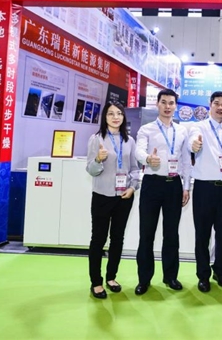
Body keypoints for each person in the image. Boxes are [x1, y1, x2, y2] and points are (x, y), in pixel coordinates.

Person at [134, 89, 190, 295]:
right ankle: (144, 279)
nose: (167, 106)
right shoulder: (146, 129)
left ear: (175, 106)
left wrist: (186, 186)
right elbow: (138, 150)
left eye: (171, 103)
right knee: (146, 234)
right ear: (157, 104)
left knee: (171, 234)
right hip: (152, 184)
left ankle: (170, 276)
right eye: (164, 102)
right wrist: (148, 158)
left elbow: (186, 161)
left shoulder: (182, 131)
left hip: (174, 185)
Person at [85, 101, 140, 299]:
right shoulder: (96, 139)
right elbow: (90, 169)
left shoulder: (129, 140)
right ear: (105, 117)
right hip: (102, 196)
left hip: (124, 197)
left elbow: (135, 168)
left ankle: (111, 277)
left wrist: (132, 187)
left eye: (119, 113)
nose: (115, 117)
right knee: (98, 239)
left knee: (117, 238)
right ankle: (96, 282)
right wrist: (98, 159)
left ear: (123, 117)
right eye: (111, 114)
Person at [188, 91, 222, 293]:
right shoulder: (198, 127)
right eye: (216, 103)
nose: (220, 107)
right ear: (210, 105)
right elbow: (192, 143)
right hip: (204, 188)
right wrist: (194, 145)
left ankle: (220, 270)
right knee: (202, 234)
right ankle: (203, 275)